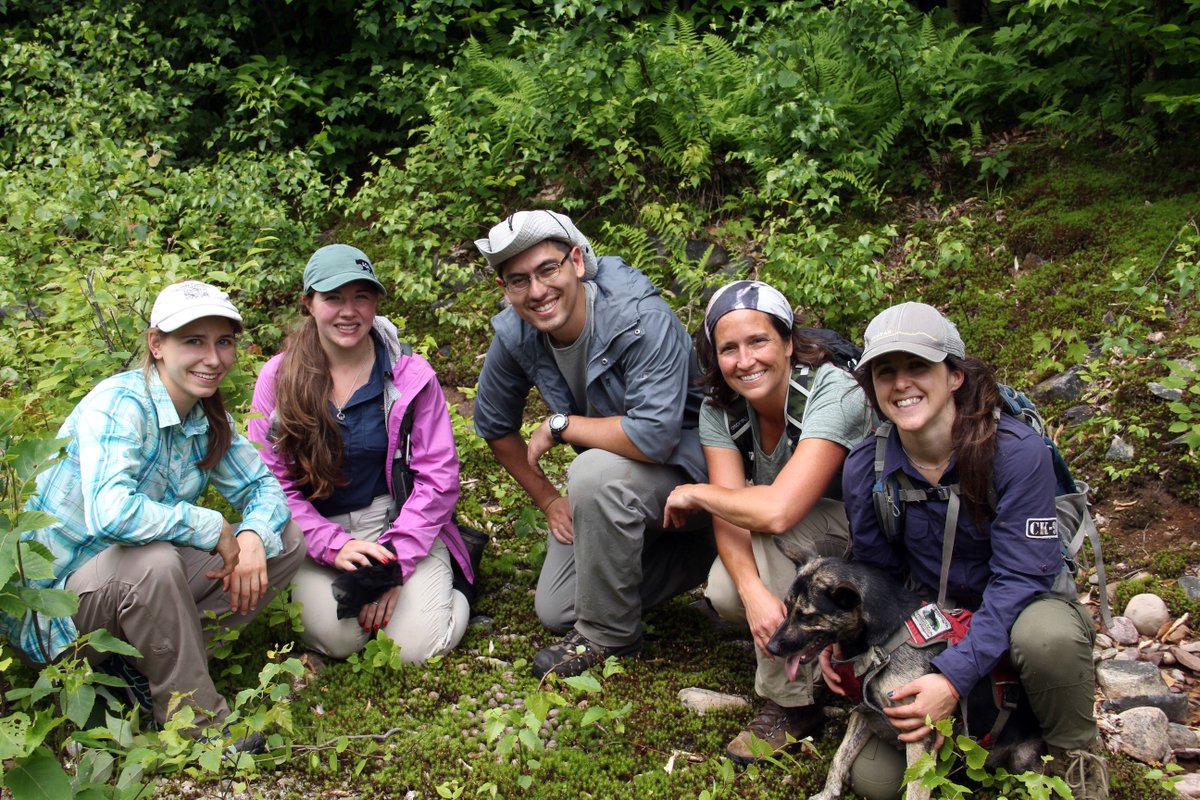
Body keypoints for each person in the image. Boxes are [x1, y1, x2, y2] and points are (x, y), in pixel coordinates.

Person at [2, 280, 304, 742]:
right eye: (193, 341)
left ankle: (148, 667)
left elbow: (264, 487)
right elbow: (110, 513)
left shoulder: (203, 417)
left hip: (126, 588)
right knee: (153, 561)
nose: (213, 358)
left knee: (284, 540)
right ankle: (195, 726)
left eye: (223, 342)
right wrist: (210, 523)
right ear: (156, 344)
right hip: (55, 617)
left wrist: (251, 537)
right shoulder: (121, 403)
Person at [833, 302, 1107, 800]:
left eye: (918, 366)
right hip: (935, 617)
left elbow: (1021, 581)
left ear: (955, 375)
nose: (901, 384)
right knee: (876, 782)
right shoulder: (863, 468)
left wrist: (951, 680)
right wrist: (847, 644)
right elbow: (878, 577)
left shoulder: (1016, 452)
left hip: (1024, 607)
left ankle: (1075, 758)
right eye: (885, 371)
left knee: (1046, 639)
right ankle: (986, 739)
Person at [473, 209, 716, 678]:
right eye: (519, 280)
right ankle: (689, 559)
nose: (538, 291)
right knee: (557, 608)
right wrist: (547, 501)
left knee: (592, 472)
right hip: (621, 483)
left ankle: (609, 635)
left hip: (694, 473)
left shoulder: (640, 318)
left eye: (548, 269)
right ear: (506, 290)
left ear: (577, 262)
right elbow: (493, 424)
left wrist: (563, 425)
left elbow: (653, 436)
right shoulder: (519, 332)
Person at [662, 280, 873, 763]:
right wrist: (756, 595)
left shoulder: (832, 392)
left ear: (789, 342)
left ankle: (792, 705)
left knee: (775, 523)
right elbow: (732, 514)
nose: (745, 360)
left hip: (870, 542)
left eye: (758, 341)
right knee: (726, 592)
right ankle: (808, 645)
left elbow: (778, 510)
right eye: (728, 349)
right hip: (807, 538)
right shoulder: (722, 409)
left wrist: (695, 492)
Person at [250, 244, 474, 663]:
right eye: (333, 297)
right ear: (309, 303)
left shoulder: (411, 375)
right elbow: (269, 481)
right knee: (342, 640)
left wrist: (391, 566)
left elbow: (438, 479)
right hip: (311, 532)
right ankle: (384, 600)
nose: (348, 311)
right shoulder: (277, 378)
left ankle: (454, 591)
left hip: (396, 524)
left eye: (361, 296)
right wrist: (331, 545)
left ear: (375, 302)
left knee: (412, 650)